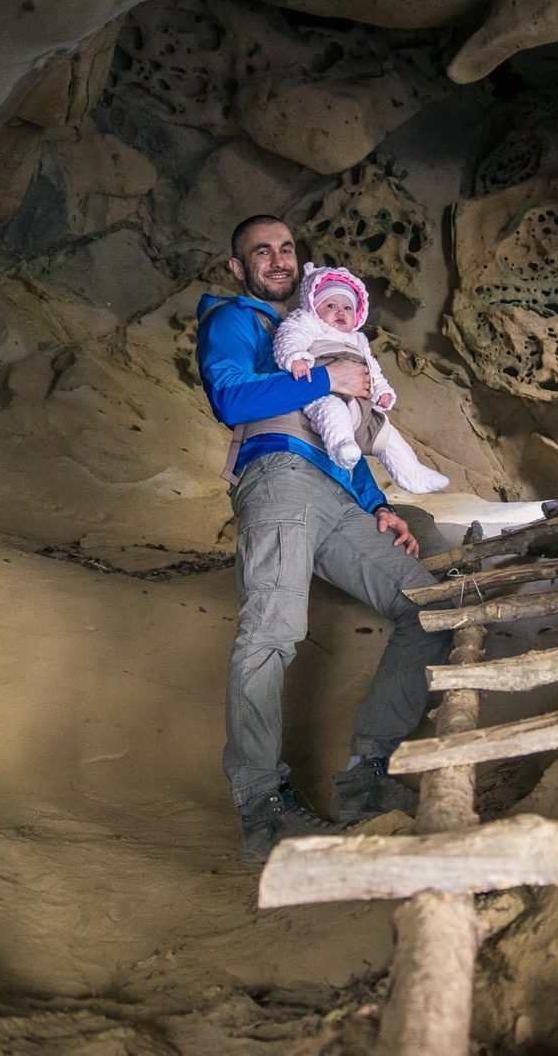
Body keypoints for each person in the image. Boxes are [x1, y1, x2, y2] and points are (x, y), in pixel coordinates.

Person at [195, 214, 452, 863]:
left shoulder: (322, 329)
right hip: (278, 479)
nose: (277, 259)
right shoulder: (236, 319)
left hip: (338, 494)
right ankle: (263, 811)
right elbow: (230, 395)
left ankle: (367, 774)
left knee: (430, 607)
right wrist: (322, 379)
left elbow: (344, 432)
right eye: (260, 250)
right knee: (271, 632)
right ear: (238, 265)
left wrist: (378, 505)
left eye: (286, 248)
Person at [274, 262, 449, 493]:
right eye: (331, 305)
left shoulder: (359, 340)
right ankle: (341, 447)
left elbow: (372, 369)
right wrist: (295, 357)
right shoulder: (309, 323)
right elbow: (290, 336)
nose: (340, 312)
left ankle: (413, 474)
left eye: (347, 307)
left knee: (387, 434)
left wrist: (382, 392)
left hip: (361, 403)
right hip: (325, 394)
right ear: (314, 307)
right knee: (333, 412)